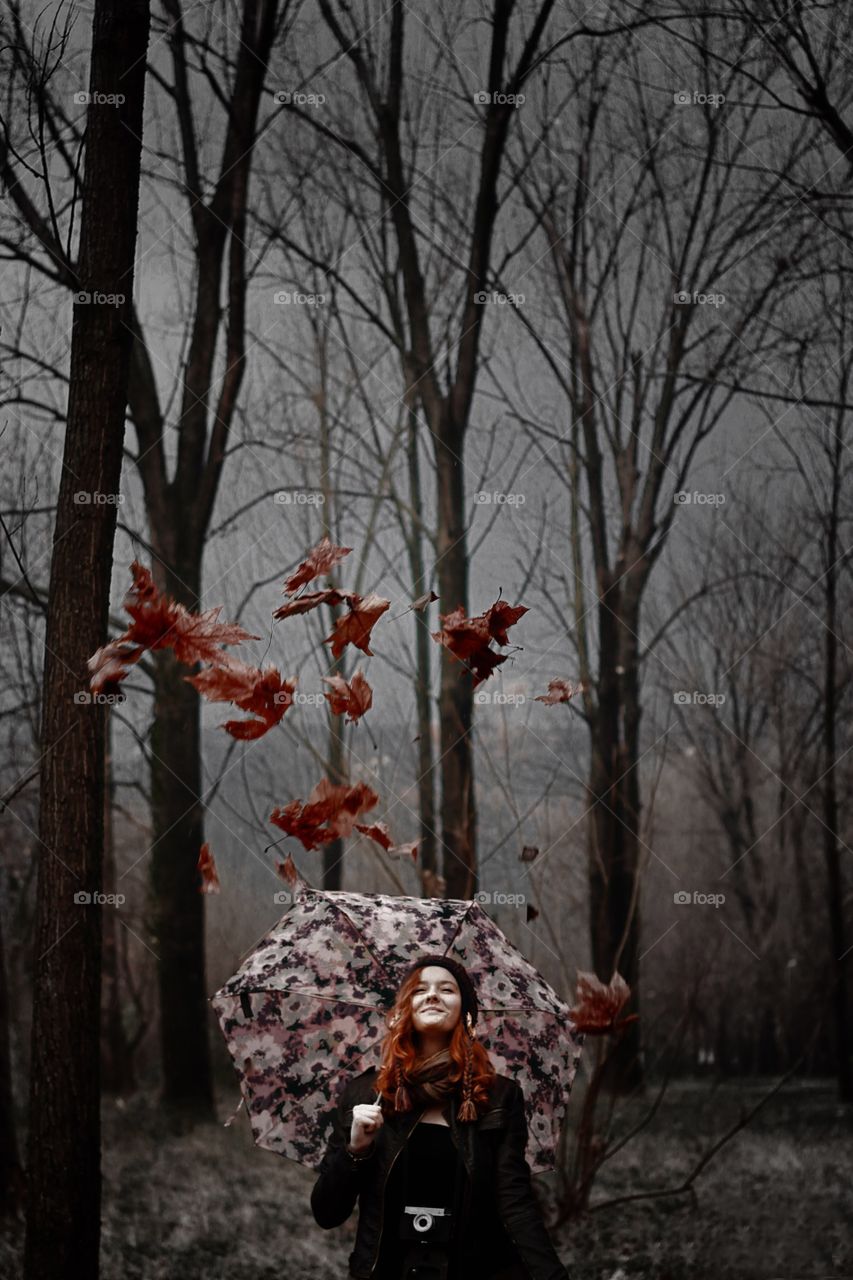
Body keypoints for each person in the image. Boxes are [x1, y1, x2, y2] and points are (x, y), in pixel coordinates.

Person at [310, 953, 570, 1280]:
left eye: (447, 989)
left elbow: (515, 1203)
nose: (432, 994)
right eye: (419, 990)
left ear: (467, 1015)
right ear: (402, 1010)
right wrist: (356, 1151)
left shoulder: (498, 1096)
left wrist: (553, 1276)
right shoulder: (367, 1095)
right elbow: (327, 1213)